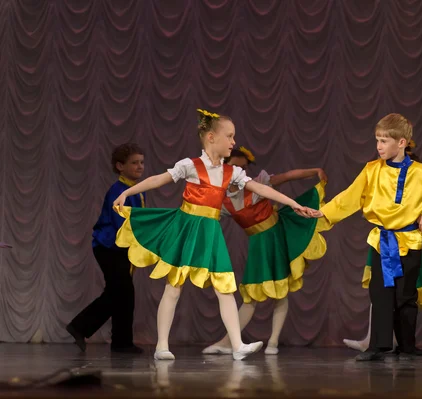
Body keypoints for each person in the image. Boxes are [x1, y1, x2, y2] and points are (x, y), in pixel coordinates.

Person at [113, 109, 317, 361]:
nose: (234, 142)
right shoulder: (191, 166)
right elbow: (158, 179)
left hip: (210, 233)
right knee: (174, 287)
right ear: (211, 137)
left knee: (225, 289)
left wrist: (295, 205)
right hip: (186, 229)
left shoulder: (232, 173)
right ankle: (162, 346)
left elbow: (264, 190)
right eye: (229, 136)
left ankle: (237, 344)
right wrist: (126, 193)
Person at [313, 113, 422, 361]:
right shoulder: (371, 171)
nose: (379, 146)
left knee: (406, 295)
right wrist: (322, 212)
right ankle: (378, 346)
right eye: (377, 140)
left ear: (401, 142)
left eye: (384, 141)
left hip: (410, 240)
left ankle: (407, 345)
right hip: (382, 241)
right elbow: (350, 197)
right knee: (380, 293)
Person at [203, 146, 328, 355]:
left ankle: (273, 342)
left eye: (243, 167)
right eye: (234, 166)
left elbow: (287, 176)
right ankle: (228, 342)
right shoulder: (223, 199)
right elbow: (207, 216)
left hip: (277, 237)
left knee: (280, 291)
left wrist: (314, 170)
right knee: (251, 295)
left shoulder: (258, 184)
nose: (239, 171)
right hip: (258, 245)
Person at [66, 143, 146, 353]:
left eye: (141, 162)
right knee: (120, 291)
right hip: (109, 247)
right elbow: (122, 225)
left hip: (119, 247)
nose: (140, 167)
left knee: (122, 293)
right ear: (120, 166)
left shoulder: (134, 191)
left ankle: (121, 342)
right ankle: (80, 326)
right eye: (134, 163)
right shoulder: (119, 191)